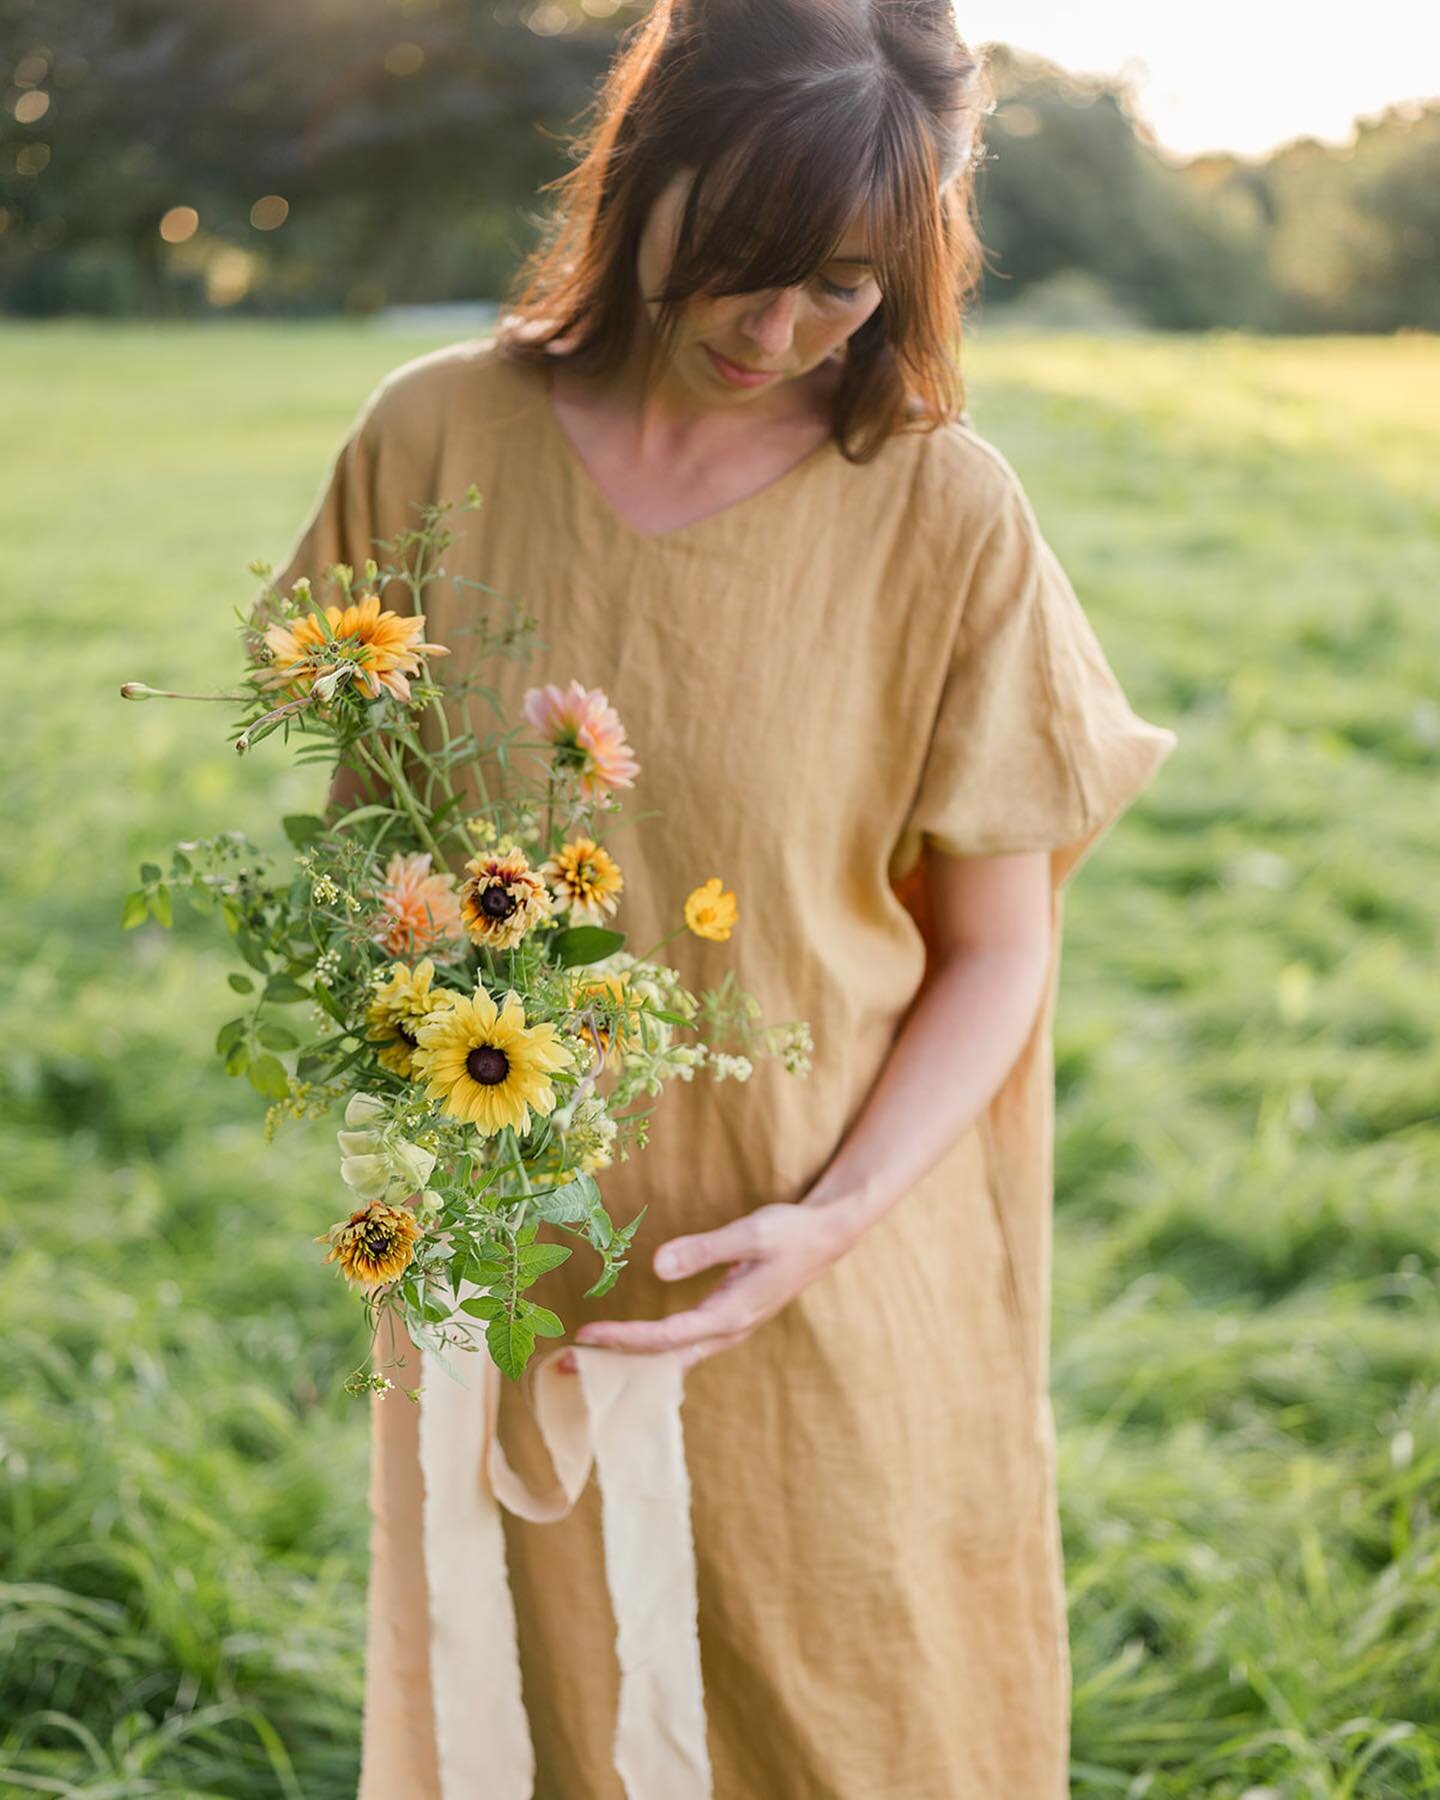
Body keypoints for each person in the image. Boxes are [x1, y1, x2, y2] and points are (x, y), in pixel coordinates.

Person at [264, 1, 1178, 1793]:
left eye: (842, 284)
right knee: (540, 1718)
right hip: (514, 1259)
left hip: (829, 1246)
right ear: (642, 178)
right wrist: (432, 1143)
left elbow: (1000, 947)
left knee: (858, 1718)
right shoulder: (432, 436)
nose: (778, 331)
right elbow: (367, 850)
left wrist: (824, 1228)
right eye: (742, 266)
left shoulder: (942, 510)